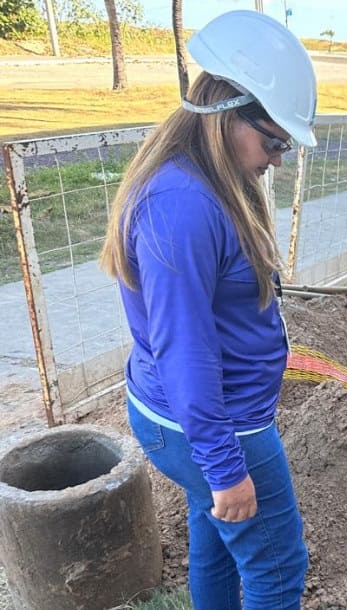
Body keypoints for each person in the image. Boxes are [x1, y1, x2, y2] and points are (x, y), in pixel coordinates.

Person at [99, 10, 317, 610]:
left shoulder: (207, 184)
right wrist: (224, 467)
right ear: (228, 111)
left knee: (216, 544)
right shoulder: (182, 207)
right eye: (274, 141)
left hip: (197, 417)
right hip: (215, 425)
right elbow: (184, 350)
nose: (277, 159)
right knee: (276, 569)